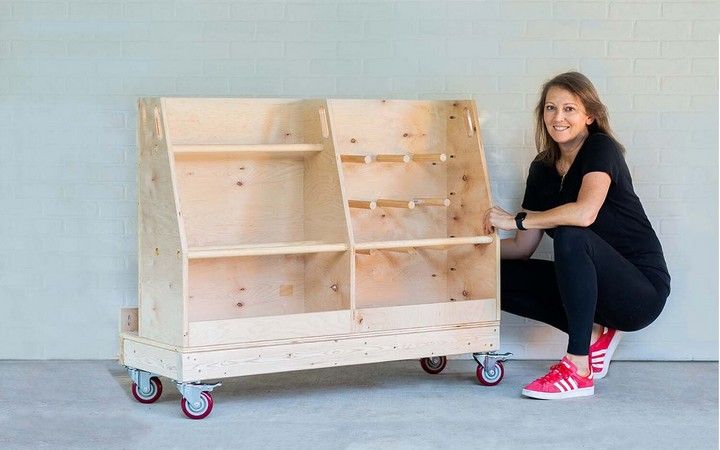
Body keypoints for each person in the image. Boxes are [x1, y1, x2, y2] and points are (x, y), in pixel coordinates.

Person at [483, 72, 670, 400]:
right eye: (551, 108)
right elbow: (522, 247)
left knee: (571, 233)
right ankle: (598, 333)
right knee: (491, 274)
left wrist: (519, 219)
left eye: (570, 109)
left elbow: (585, 213)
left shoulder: (600, 148)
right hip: (595, 291)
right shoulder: (541, 169)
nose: (558, 117)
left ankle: (578, 369)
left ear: (589, 116)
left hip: (640, 292)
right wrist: (470, 251)